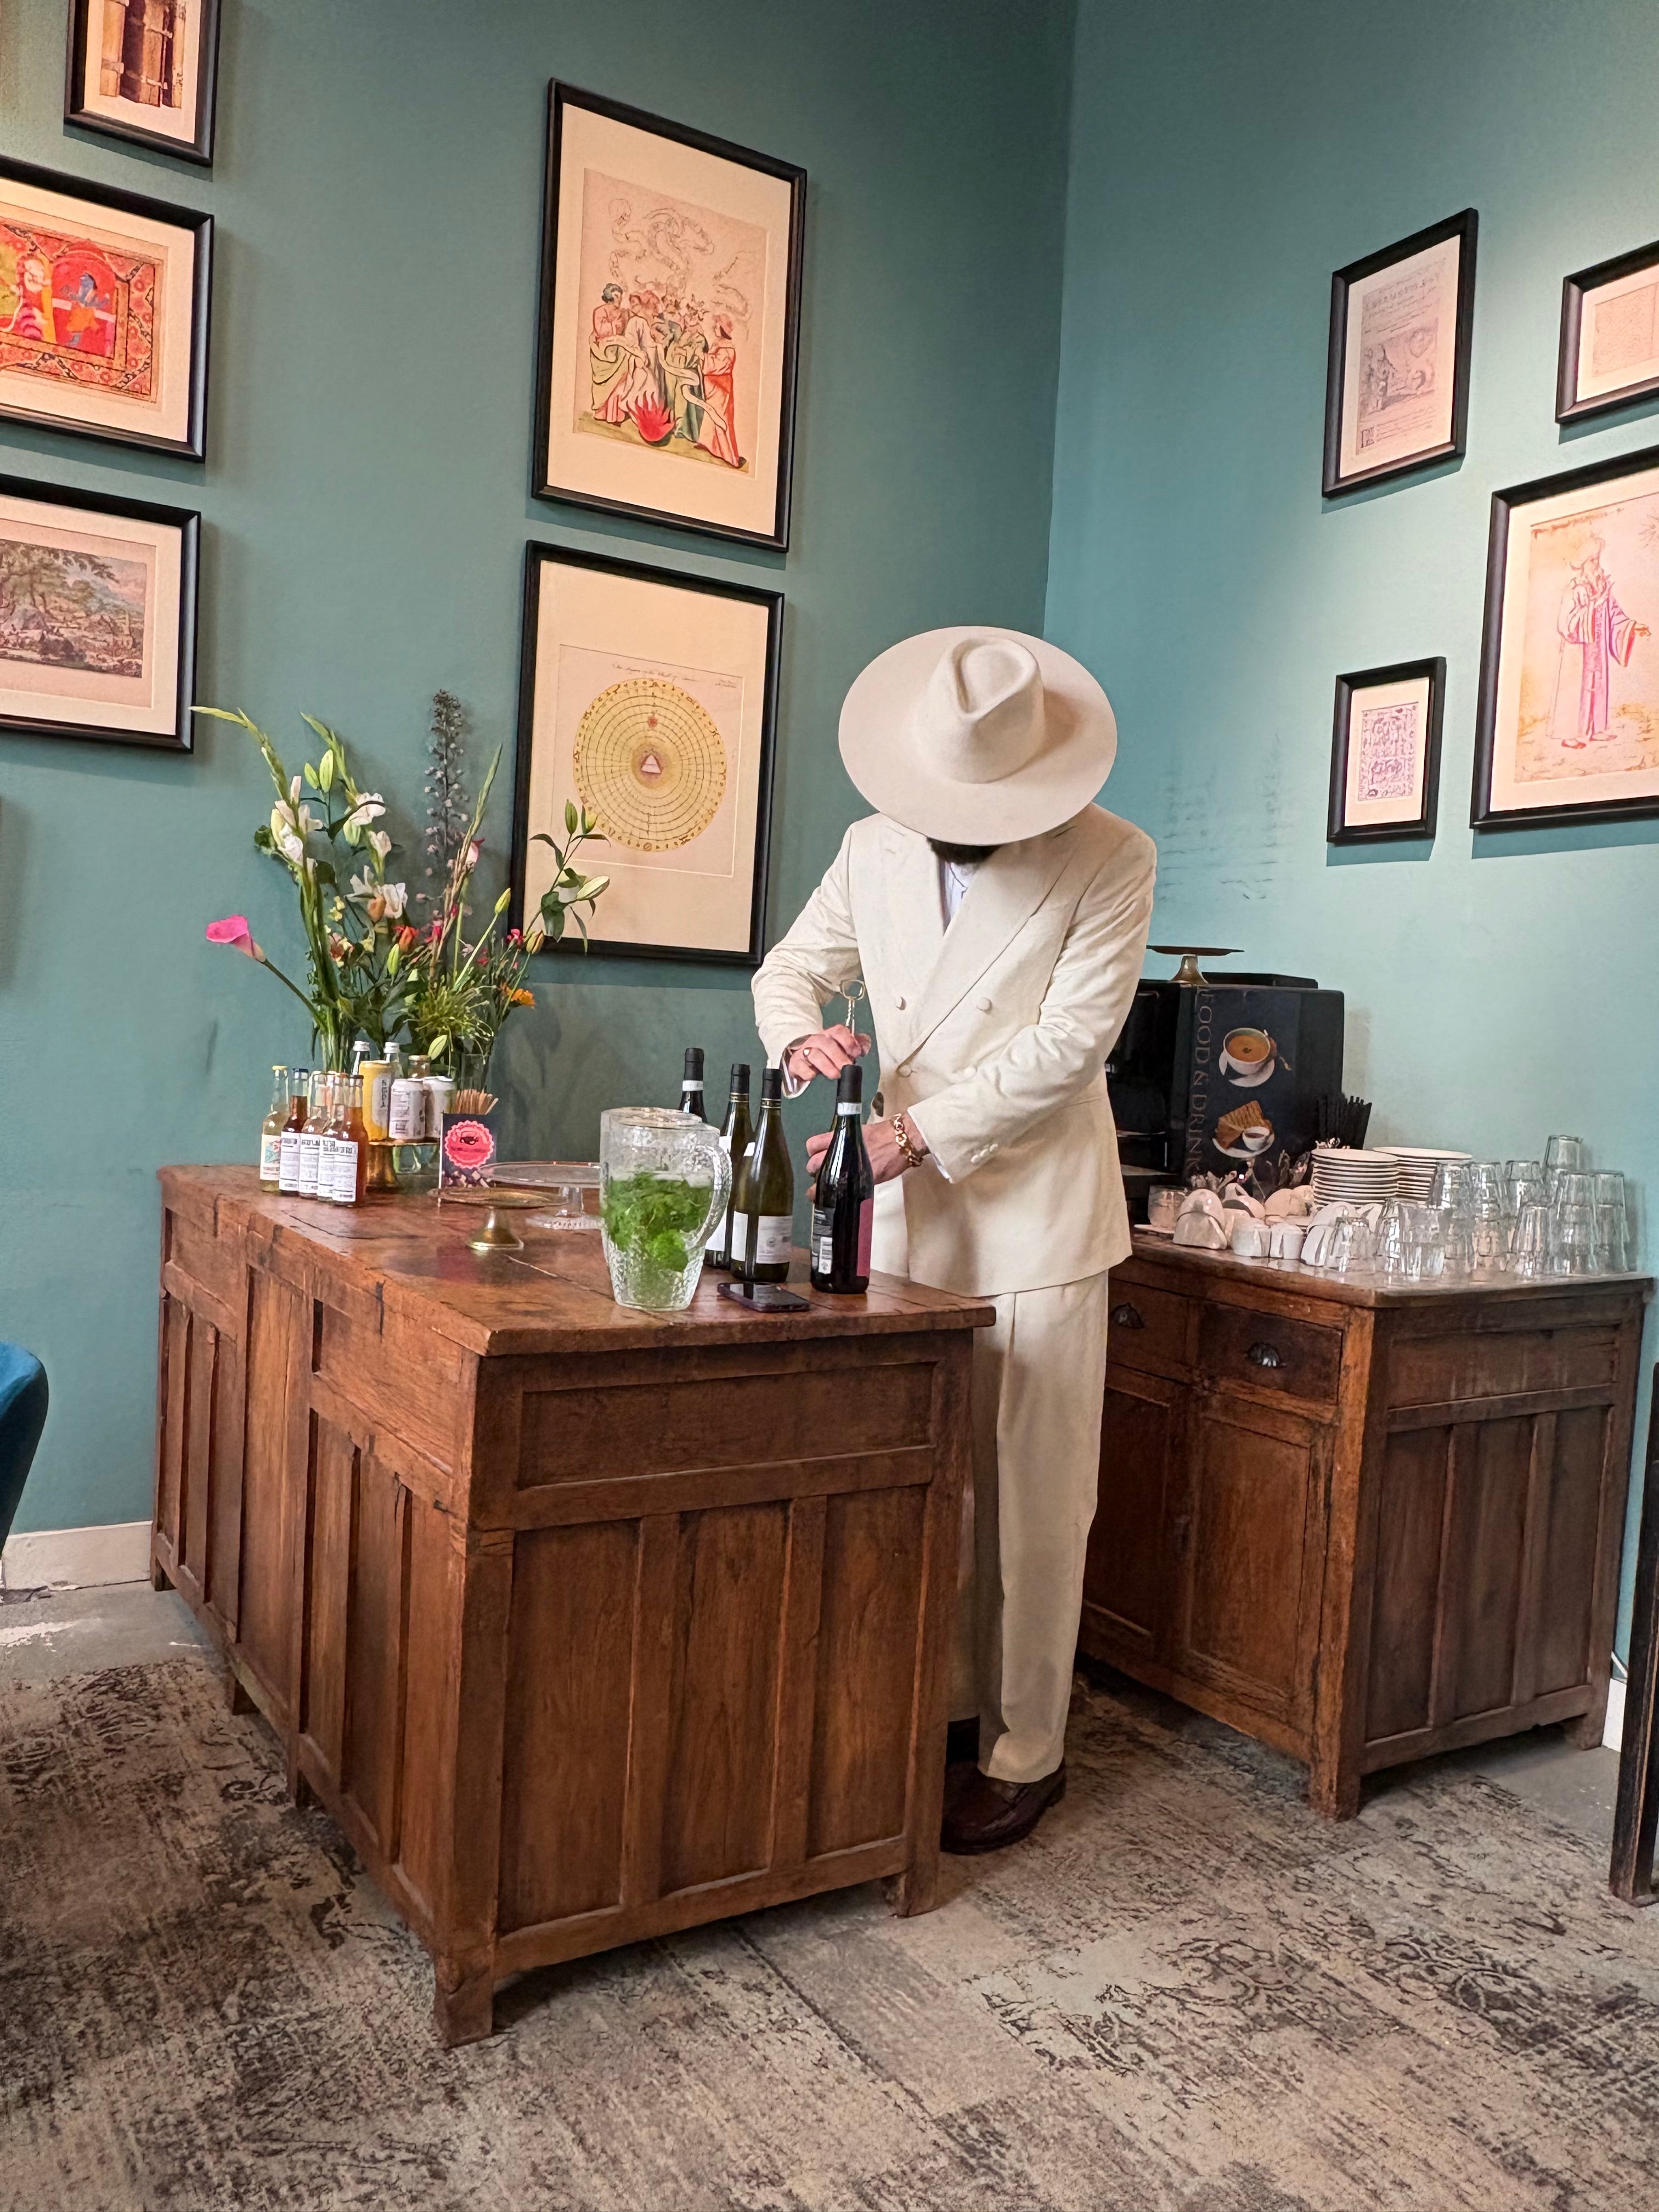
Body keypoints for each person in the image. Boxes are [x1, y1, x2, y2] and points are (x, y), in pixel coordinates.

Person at [752, 628, 1155, 1853]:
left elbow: (1068, 1047)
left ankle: (1027, 1751)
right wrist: (798, 1040)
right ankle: (941, 1707)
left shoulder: (1111, 856)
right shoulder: (871, 845)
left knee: (1033, 1505)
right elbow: (790, 968)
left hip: (1035, 1216)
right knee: (927, 1485)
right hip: (908, 1222)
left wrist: (911, 1135)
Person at [1558, 539, 1647, 746]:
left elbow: (1613, 611)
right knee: (1581, 688)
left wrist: (1632, 625)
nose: (1597, 563)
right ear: (1583, 563)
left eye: (1598, 558)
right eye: (1592, 560)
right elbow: (1565, 623)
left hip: (1598, 645)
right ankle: (1578, 734)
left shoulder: (1603, 585)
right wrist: (1592, 606)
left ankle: (1598, 729)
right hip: (1580, 647)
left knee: (1599, 683)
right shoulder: (1575, 588)